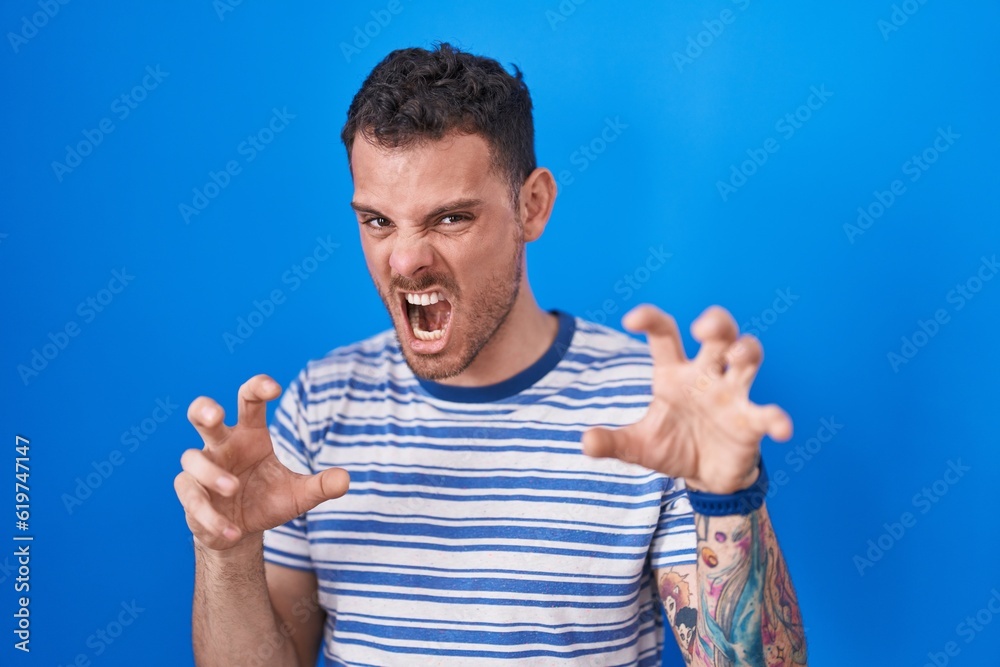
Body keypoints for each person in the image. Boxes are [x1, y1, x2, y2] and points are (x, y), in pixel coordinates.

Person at [173, 43, 807, 667]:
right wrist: (226, 552)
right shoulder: (320, 401)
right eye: (377, 221)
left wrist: (728, 498)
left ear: (531, 206)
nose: (404, 260)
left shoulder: (652, 408)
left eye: (449, 219)